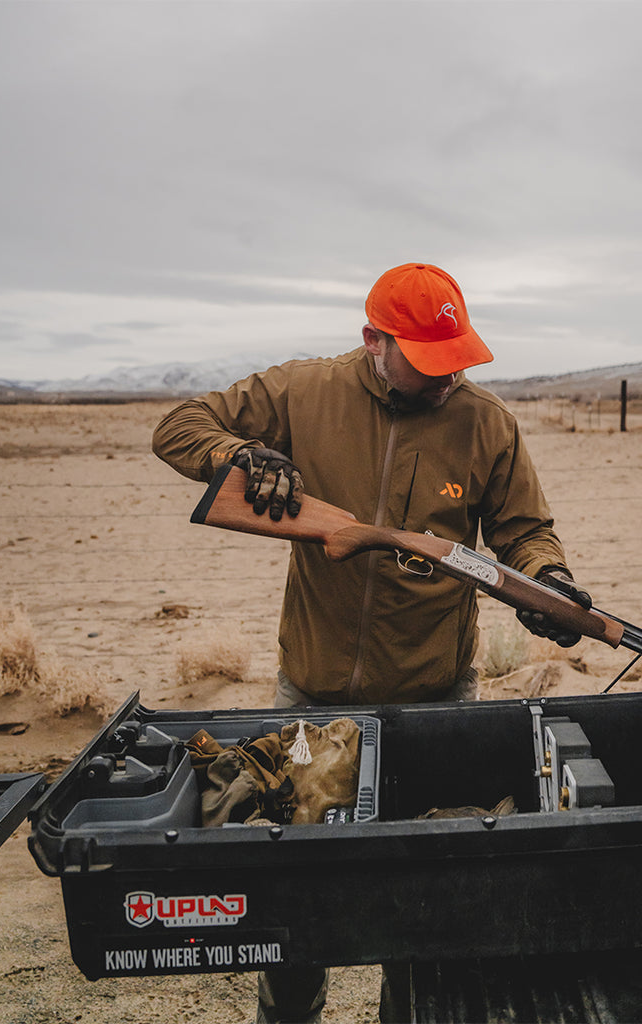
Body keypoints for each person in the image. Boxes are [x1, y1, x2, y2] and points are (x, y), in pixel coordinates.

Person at [152, 261, 590, 1023]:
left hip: (435, 699)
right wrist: (238, 457)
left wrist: (547, 580)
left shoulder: (486, 422)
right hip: (313, 697)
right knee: (299, 910)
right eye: (428, 364)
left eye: (457, 361)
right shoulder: (302, 391)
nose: (446, 380)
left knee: (427, 908)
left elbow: (524, 531)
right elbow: (179, 426)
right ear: (372, 342)